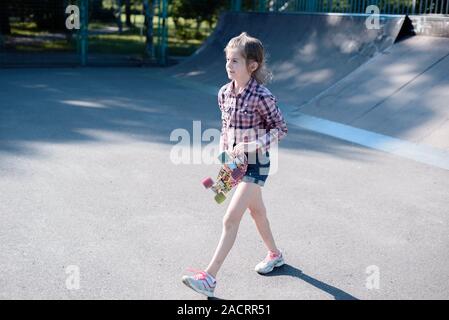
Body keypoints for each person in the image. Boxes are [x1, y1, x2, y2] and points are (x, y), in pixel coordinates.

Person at [182, 32, 288, 297]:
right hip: (237, 162)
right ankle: (275, 254)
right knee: (257, 213)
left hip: (257, 163)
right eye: (228, 60)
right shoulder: (224, 93)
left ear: (252, 65)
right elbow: (226, 127)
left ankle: (210, 277)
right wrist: (223, 153)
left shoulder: (261, 95)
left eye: (236, 61)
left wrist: (252, 145)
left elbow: (280, 128)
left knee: (230, 218)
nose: (229, 65)